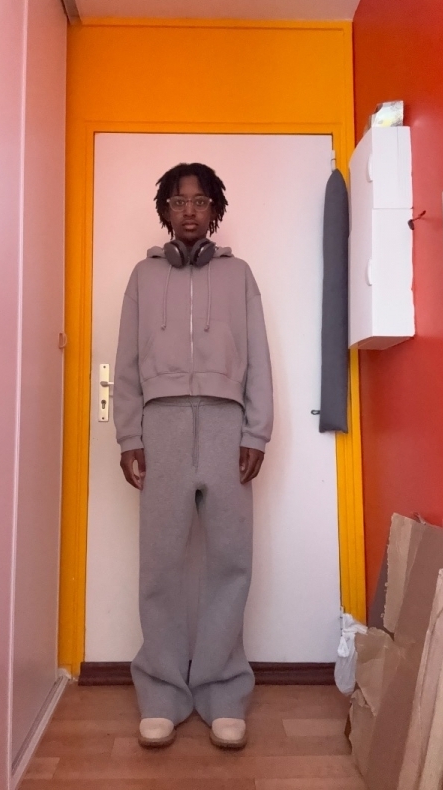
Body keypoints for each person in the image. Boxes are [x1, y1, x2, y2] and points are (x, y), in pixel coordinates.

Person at [113, 162, 273, 750]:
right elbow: (127, 360)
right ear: (165, 210)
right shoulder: (142, 276)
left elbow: (258, 356)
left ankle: (222, 691)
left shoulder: (240, 275)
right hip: (163, 429)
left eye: (200, 201)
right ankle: (161, 693)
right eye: (179, 202)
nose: (189, 211)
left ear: (214, 211)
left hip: (228, 428)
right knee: (160, 564)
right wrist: (129, 434)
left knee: (231, 560)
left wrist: (256, 432)